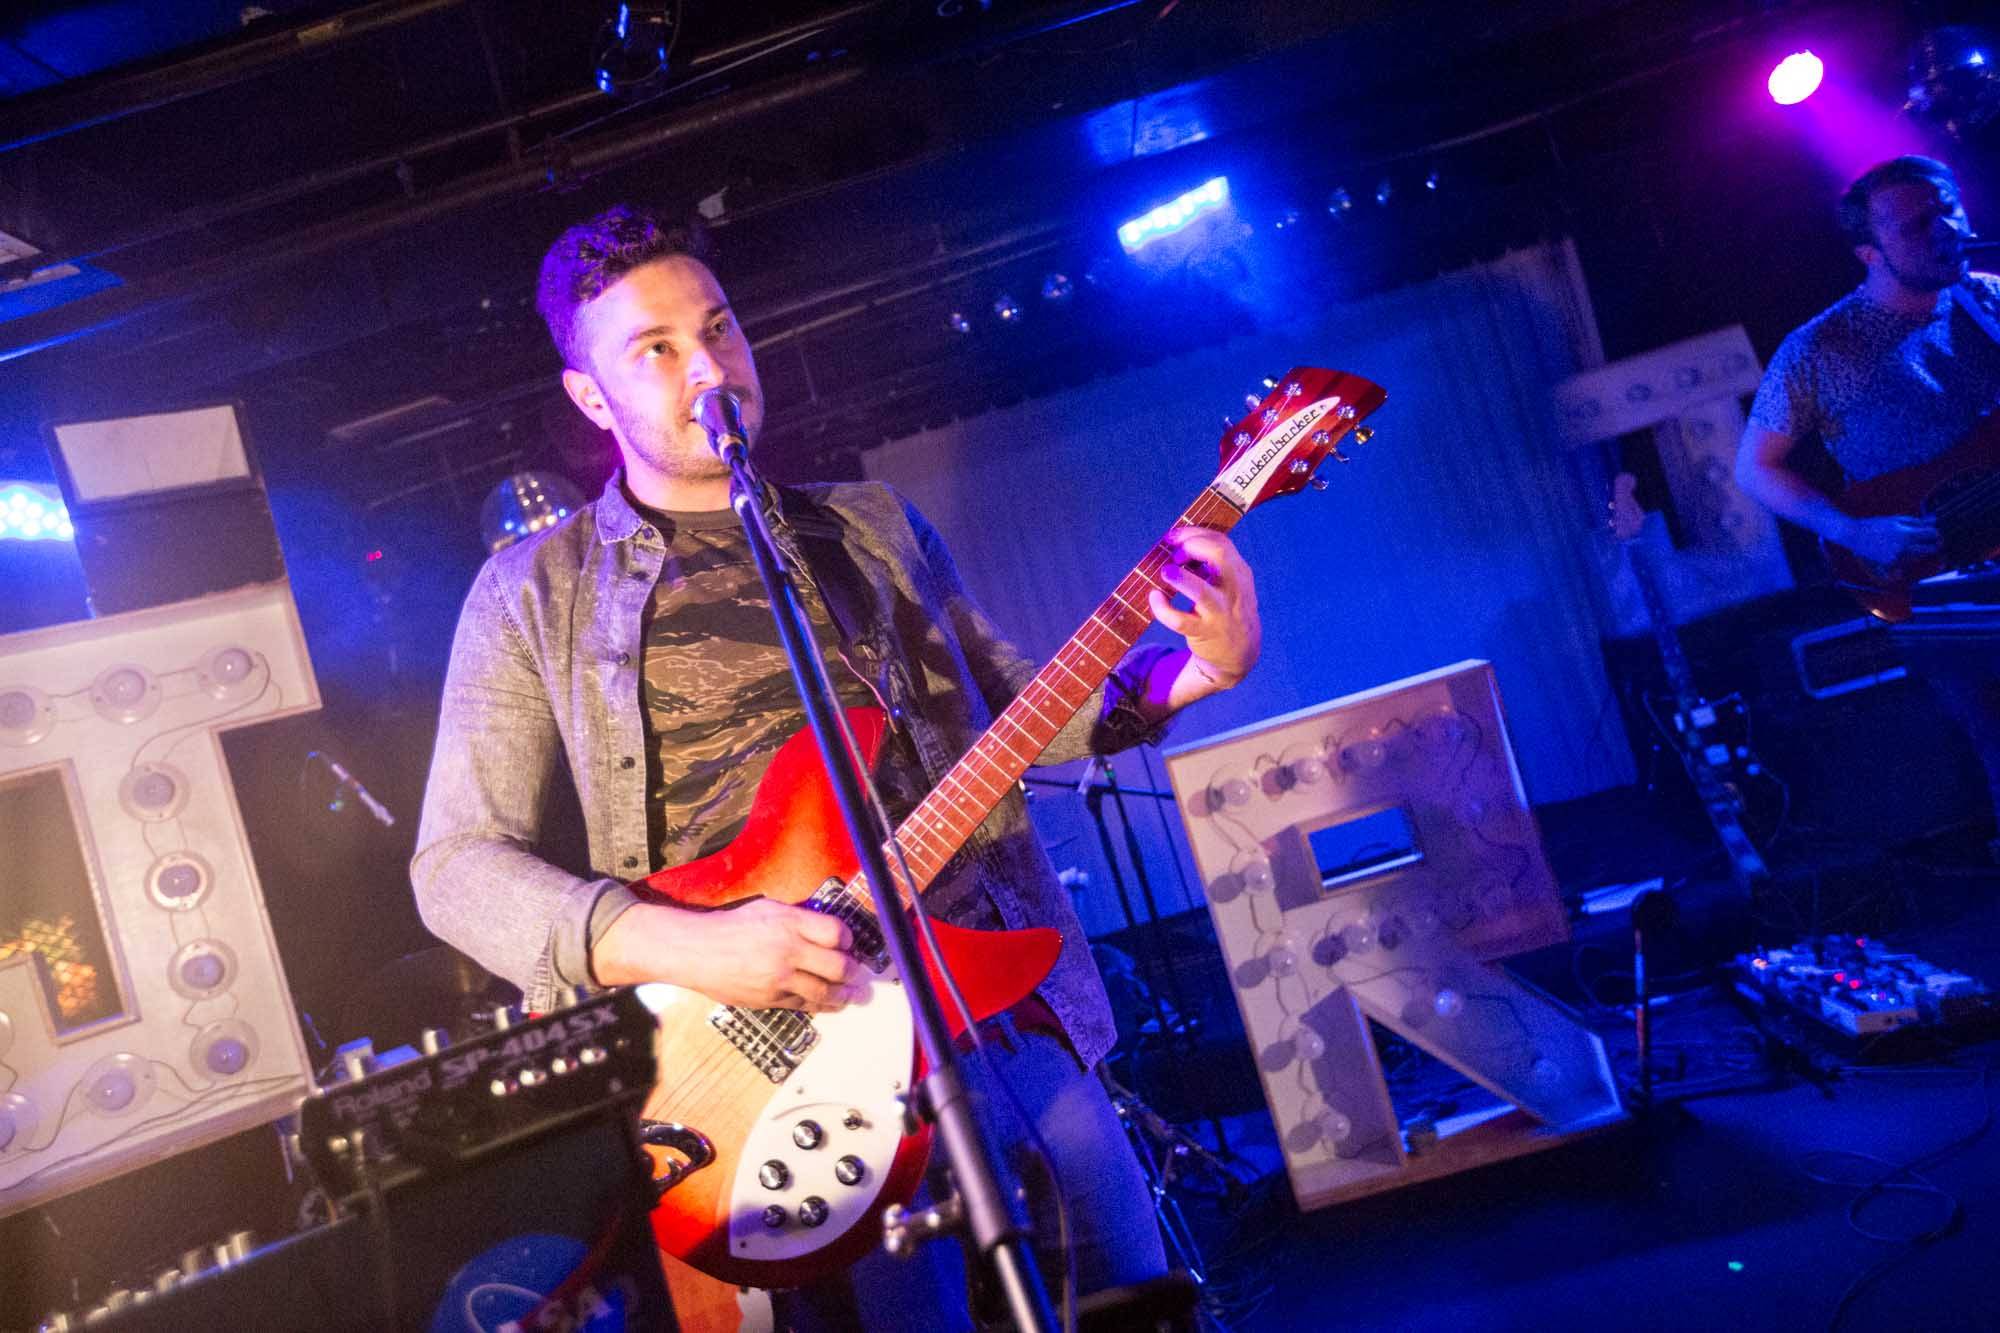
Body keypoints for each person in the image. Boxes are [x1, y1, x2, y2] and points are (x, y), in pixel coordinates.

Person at [411, 205, 1263, 1329]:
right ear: (589, 396)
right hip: (769, 1055)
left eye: (718, 329)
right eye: (654, 349)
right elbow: (456, 867)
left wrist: (1195, 669)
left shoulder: (867, 526)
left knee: (1133, 1294)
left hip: (984, 1001)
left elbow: (1009, 712)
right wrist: (697, 944)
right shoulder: (532, 593)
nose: (706, 366)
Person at [1736, 154, 2000, 851]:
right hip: (1936, 576)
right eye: (1918, 225)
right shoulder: (1816, 349)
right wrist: (1855, 529)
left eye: (1949, 209)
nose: (1946, 230)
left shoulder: (1991, 299)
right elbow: (1755, 468)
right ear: (1869, 251)